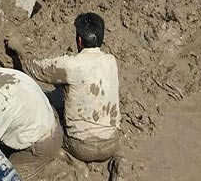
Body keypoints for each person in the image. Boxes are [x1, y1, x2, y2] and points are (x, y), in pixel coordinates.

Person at [9, 13, 121, 162]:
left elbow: (35, 69)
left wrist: (19, 50)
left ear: (79, 40)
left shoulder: (69, 64)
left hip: (82, 147)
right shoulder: (110, 61)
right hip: (112, 143)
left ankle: (66, 159)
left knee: (47, 113)